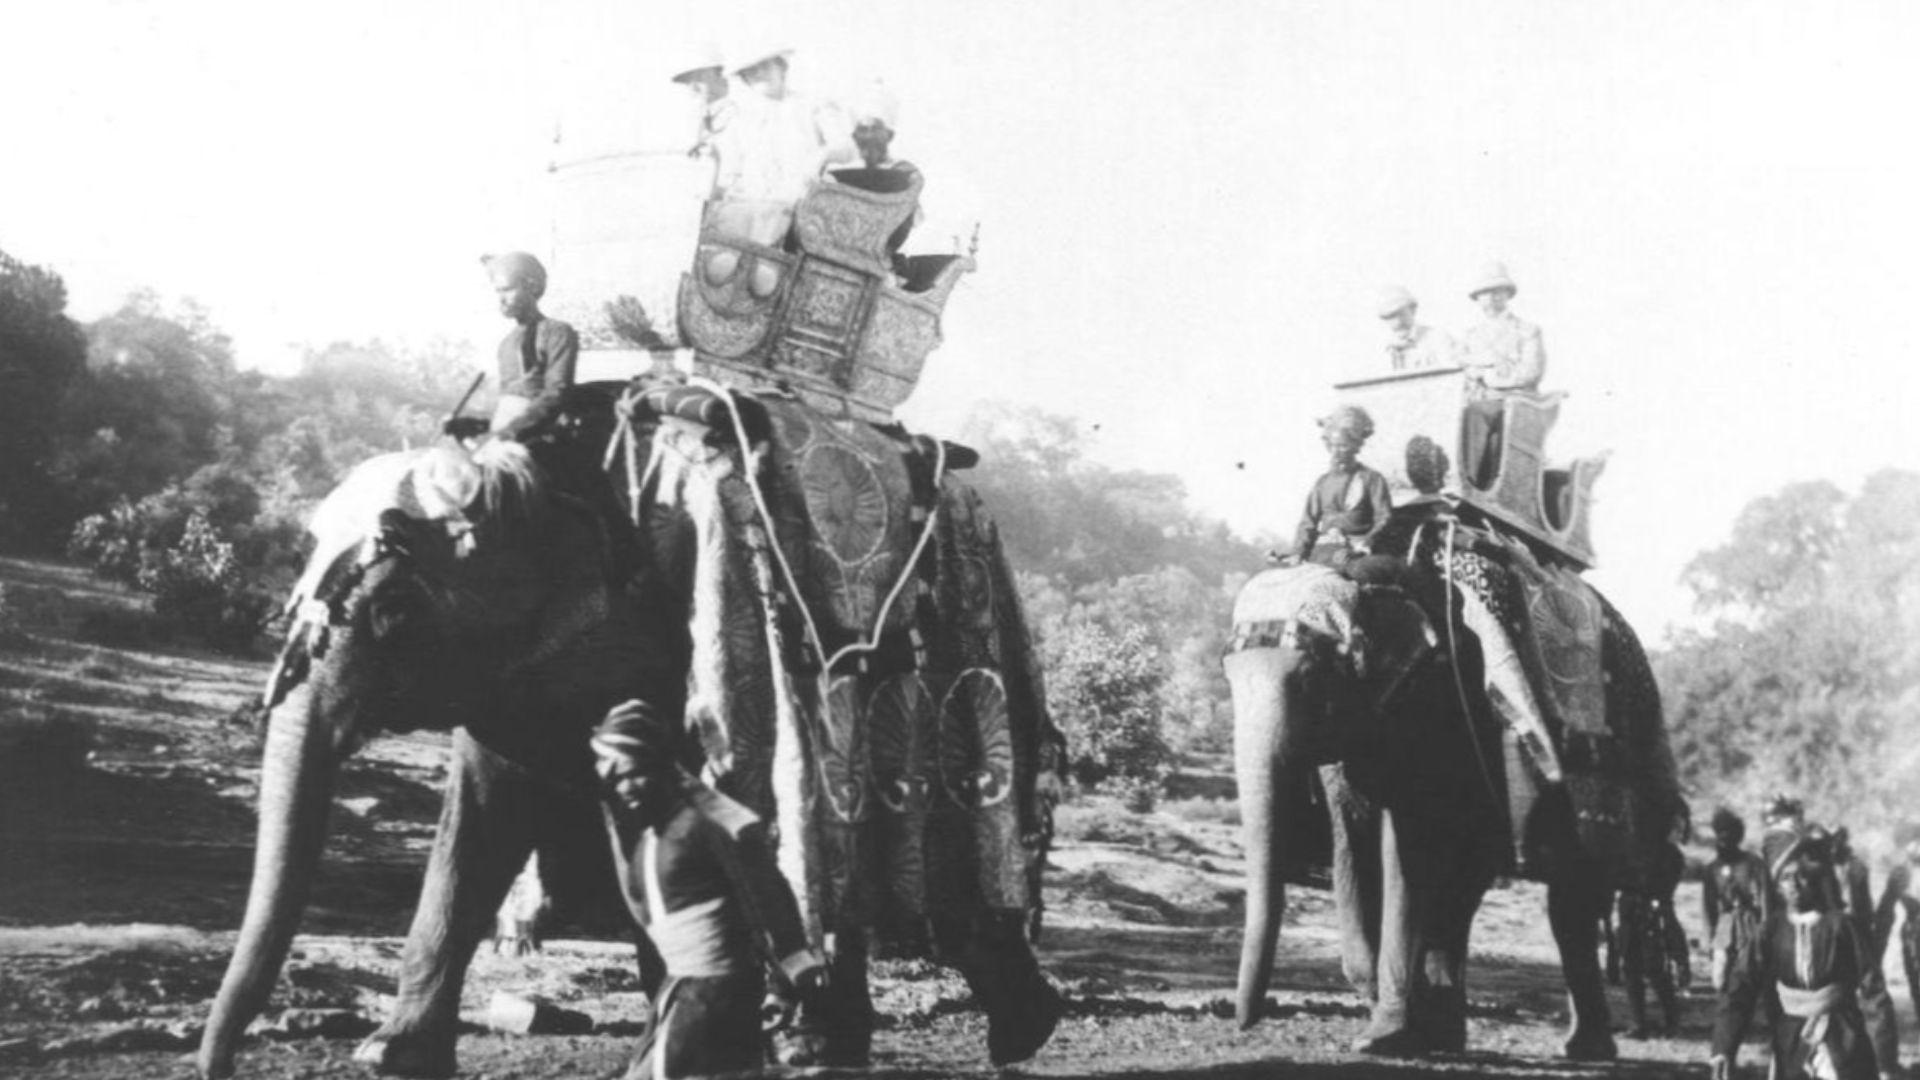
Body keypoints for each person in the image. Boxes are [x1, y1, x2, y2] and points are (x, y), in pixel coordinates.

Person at [592, 699, 828, 1080]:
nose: (626, 787)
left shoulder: (700, 827)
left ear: (662, 769)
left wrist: (789, 970)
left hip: (716, 991)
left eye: (635, 773)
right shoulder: (653, 835)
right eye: (616, 778)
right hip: (685, 987)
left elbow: (764, 889)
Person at [1712, 827, 1892, 1080]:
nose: (1794, 884)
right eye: (1785, 878)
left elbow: (1875, 993)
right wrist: (1724, 1047)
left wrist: (1885, 1061)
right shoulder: (1770, 931)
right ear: (1776, 886)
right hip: (1790, 1043)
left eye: (1802, 875)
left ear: (1815, 877)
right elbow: (1740, 987)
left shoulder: (1842, 926)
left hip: (1844, 1039)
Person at [709, 42, 856, 246]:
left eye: (766, 66)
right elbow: (731, 174)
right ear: (744, 78)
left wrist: (821, 155)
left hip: (806, 213)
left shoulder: (812, 105)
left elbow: (847, 149)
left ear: (781, 67)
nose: (759, 73)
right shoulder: (739, 119)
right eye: (751, 70)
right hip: (756, 216)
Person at [1457, 263, 1546, 489]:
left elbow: (1530, 372)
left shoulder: (1527, 330)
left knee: (1477, 411)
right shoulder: (1470, 335)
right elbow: (1463, 368)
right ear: (1477, 298)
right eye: (1484, 293)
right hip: (1480, 397)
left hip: (1515, 401)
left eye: (1498, 291)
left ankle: (1471, 482)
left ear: (1508, 294)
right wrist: (1481, 370)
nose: (1491, 297)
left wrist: (1489, 376)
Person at [1274, 405, 1392, 567]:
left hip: (1356, 551)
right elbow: (1307, 523)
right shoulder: (1322, 483)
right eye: (1333, 445)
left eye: (1343, 445)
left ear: (1356, 446)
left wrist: (1365, 543)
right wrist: (1298, 552)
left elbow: (1384, 518)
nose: (1337, 451)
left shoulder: (1372, 479)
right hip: (1322, 551)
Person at [1618, 842, 1686, 1038]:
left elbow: (1670, 881)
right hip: (1630, 909)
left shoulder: (1668, 852)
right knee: (1630, 966)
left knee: (1655, 967)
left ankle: (1672, 1022)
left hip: (1654, 910)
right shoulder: (1629, 847)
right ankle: (1638, 1023)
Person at [1702, 807, 1771, 994]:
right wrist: (1710, 939)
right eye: (1720, 835)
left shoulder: (1754, 864)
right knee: (1720, 980)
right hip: (1725, 927)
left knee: (1749, 975)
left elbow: (1765, 901)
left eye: (1728, 835)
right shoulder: (1712, 869)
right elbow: (1708, 908)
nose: (1723, 841)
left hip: (1750, 924)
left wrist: (1764, 932)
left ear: (1737, 837)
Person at [670, 43, 735, 168]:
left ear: (721, 75)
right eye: (688, 80)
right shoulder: (702, 113)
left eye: (700, 77)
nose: (692, 85)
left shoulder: (731, 110)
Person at [1377, 286, 1457, 372]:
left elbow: (1451, 376)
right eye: (1390, 317)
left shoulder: (1438, 338)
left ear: (1413, 310)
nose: (1397, 322)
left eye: (1401, 314)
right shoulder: (1384, 351)